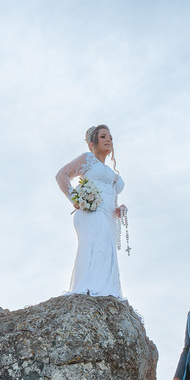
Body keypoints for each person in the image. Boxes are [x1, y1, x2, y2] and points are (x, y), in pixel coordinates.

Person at [55, 125, 127, 298]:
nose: (108, 140)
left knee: (107, 249)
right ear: (92, 143)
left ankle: (105, 292)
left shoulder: (112, 173)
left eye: (110, 137)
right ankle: (88, 289)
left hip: (108, 215)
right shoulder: (87, 159)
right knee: (95, 245)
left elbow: (112, 195)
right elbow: (61, 175)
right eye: (103, 137)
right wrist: (76, 199)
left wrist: (118, 209)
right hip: (91, 211)